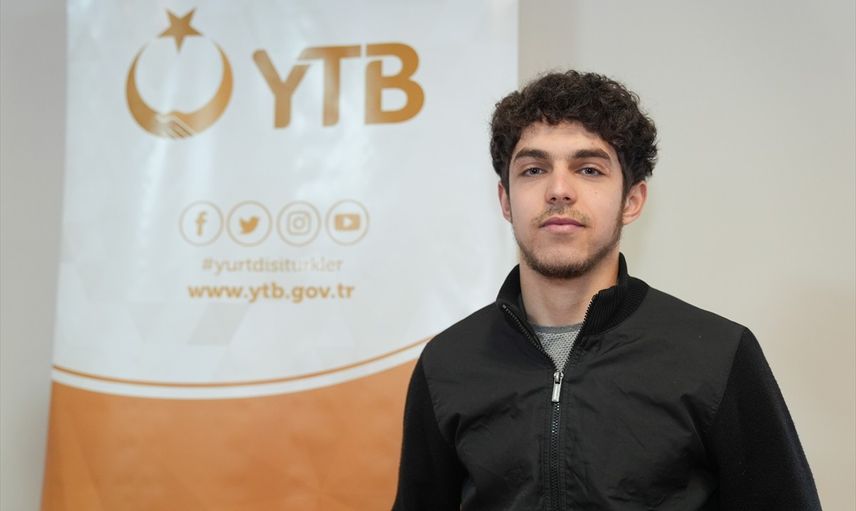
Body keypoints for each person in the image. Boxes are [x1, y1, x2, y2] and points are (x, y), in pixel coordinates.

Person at [391, 71, 821, 510]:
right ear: (505, 200)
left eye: (589, 169)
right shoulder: (448, 363)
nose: (559, 190)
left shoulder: (716, 355)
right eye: (534, 170)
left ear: (631, 201)